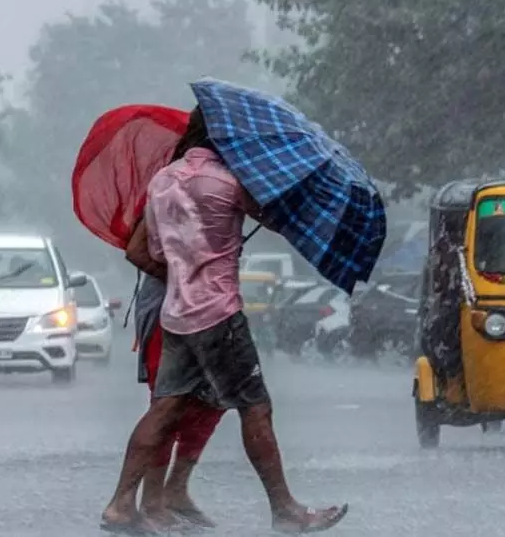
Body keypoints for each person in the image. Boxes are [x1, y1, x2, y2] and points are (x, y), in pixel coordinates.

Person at [101, 107, 348, 534]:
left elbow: (150, 251)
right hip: (218, 314)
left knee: (164, 409)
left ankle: (121, 504)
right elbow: (276, 219)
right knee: (255, 408)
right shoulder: (228, 182)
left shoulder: (161, 182)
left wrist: (184, 270)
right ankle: (286, 510)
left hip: (176, 314)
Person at [126, 229, 224, 529]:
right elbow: (137, 251)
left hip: (208, 311)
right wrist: (182, 280)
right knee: (168, 405)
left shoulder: (215, 193)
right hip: (167, 315)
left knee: (212, 402)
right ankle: (151, 502)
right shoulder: (166, 188)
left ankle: (176, 490)